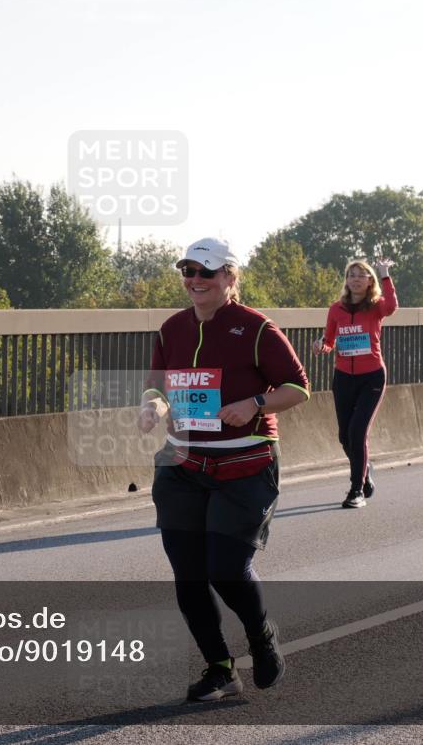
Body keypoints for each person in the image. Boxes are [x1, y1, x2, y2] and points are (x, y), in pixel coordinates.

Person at [138, 237, 310, 702]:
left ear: (230, 278)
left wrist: (254, 402)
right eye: (188, 272)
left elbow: (298, 387)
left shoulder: (256, 329)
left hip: (245, 463)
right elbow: (156, 387)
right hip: (182, 464)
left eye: (206, 273)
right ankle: (219, 668)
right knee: (189, 575)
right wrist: (152, 408)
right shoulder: (171, 328)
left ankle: (260, 634)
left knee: (226, 569)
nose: (194, 281)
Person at [312, 259, 398, 509]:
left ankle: (356, 490)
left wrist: (385, 274)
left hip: (371, 376)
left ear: (369, 281)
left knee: (357, 433)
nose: (357, 279)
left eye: (362, 275)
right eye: (352, 275)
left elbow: (392, 306)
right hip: (343, 378)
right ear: (346, 281)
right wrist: (321, 346)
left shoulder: (376, 307)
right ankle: (365, 470)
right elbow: (329, 340)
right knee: (344, 437)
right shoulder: (336, 309)